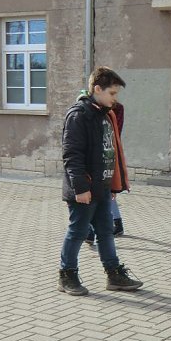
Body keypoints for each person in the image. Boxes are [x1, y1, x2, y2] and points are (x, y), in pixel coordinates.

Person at [58, 66, 143, 296]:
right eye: (112, 93)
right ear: (97, 89)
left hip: (103, 188)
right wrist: (81, 187)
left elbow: (109, 152)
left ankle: (114, 274)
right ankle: (67, 275)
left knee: (106, 231)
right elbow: (71, 155)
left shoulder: (105, 115)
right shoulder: (79, 116)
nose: (115, 99)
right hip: (84, 190)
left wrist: (112, 184)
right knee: (77, 232)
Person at [85, 100, 126, 244]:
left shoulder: (115, 110)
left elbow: (114, 135)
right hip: (100, 160)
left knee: (101, 195)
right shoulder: (89, 111)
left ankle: (91, 231)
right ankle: (115, 223)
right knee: (103, 194)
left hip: (106, 159)